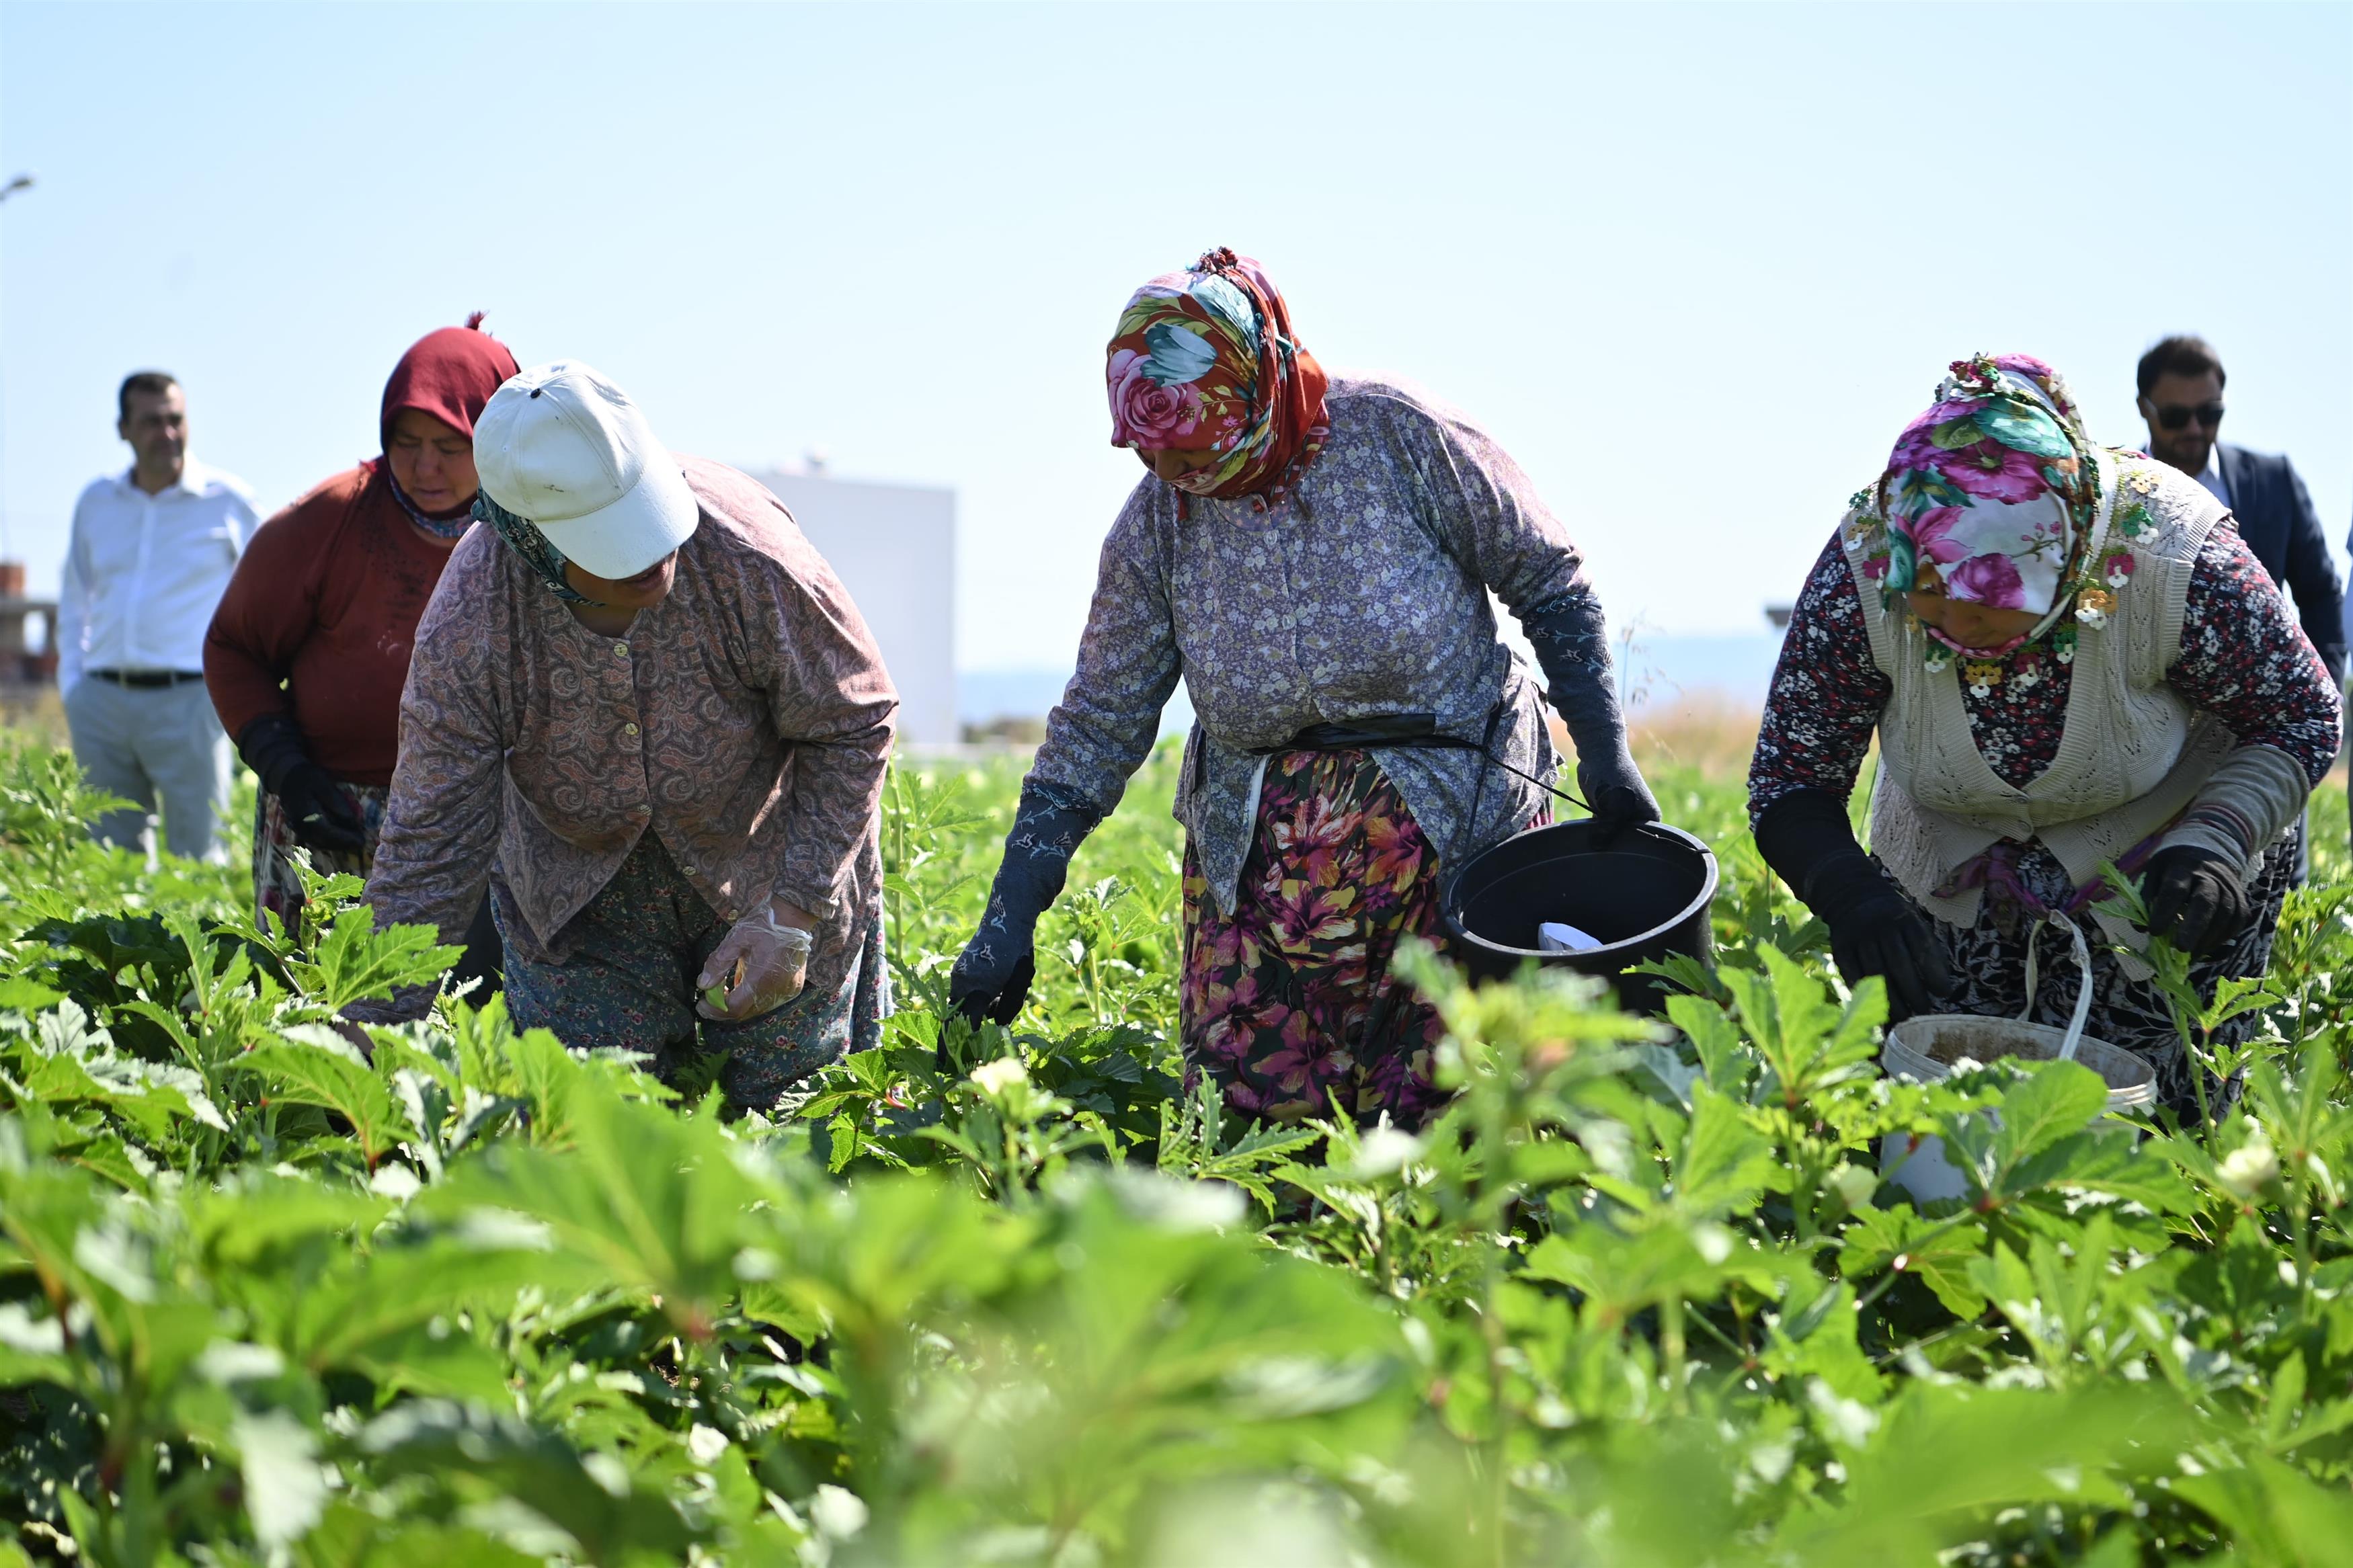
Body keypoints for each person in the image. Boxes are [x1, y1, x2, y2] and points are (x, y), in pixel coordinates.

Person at [949, 248, 1659, 1130]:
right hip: (1262, 878)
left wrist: (1603, 746)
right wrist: (1011, 910)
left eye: (1200, 452)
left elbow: (1548, 577)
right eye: (1160, 459)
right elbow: (1098, 721)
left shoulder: (1396, 433)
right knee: (1251, 1145)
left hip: (1457, 841)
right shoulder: (1159, 521)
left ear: (1255, 383)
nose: (1185, 481)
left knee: (1457, 1133)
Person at [1749, 354, 2340, 1120]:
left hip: (2160, 843)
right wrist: (1847, 891)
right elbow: (1790, 774)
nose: (1954, 621)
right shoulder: (1864, 569)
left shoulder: (2173, 556)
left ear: (2058, 560)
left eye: (1988, 596)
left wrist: (2217, 839)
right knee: (1956, 1101)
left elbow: (2298, 711)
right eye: (1930, 589)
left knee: (2146, 1105)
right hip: (1954, 849)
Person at [346, 362, 896, 1110]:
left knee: (800, 1129)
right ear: (531, 543)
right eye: (609, 538)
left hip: (769, 865)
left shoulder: (747, 555)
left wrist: (792, 913)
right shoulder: (472, 621)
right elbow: (431, 843)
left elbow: (852, 720)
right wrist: (363, 1048)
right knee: (599, 1141)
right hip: (582, 908)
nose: (650, 554)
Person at [204, 319, 517, 987]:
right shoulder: (333, 516)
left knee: (457, 1016)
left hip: (473, 821)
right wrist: (287, 769)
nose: (425, 466)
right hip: (330, 816)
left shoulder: (528, 532)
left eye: (449, 445)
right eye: (406, 443)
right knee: (317, 1008)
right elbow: (233, 646)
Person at [58, 372, 258, 860]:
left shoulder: (228, 502)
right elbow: (74, 599)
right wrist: (73, 687)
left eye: (175, 419)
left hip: (190, 701)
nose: (166, 433)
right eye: (150, 422)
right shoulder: (96, 501)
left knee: (200, 860)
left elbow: (271, 595)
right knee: (107, 865)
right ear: (122, 429)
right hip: (101, 703)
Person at [2135, 334, 2344, 683]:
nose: (2195, 428)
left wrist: (2325, 700)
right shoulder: (2114, 488)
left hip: (2259, 715)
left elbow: (2320, 594)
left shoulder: (2274, 481)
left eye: (2210, 413)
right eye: (2175, 417)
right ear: (2144, 407)